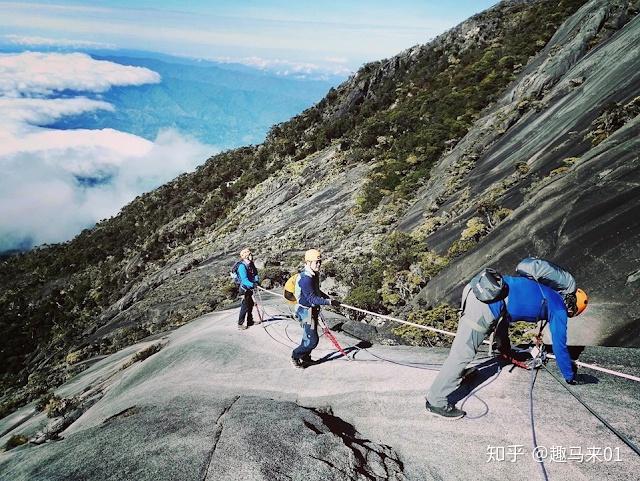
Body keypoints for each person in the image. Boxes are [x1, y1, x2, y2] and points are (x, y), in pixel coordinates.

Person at [425, 274, 588, 419]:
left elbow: (505, 318)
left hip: (481, 287)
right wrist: (570, 376)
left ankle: (457, 374)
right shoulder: (559, 309)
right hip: (486, 302)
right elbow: (560, 347)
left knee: (463, 345)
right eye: (572, 313)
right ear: (572, 307)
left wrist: (506, 351)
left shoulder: (545, 291)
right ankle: (436, 402)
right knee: (462, 353)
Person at [291, 249, 341, 368]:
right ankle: (296, 355)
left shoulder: (313, 274)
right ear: (308, 262)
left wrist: (326, 297)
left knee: (308, 335)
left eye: (320, 261)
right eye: (316, 262)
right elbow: (312, 299)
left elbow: (316, 292)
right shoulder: (306, 278)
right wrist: (328, 301)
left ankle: (305, 357)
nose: (319, 264)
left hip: (310, 310)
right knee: (313, 340)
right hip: (305, 312)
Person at [236, 248, 259, 330]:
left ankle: (250, 321)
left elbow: (255, 273)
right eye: (250, 255)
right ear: (246, 256)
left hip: (250, 288)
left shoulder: (251, 264)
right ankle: (240, 324)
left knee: (251, 304)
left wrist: (256, 280)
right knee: (245, 306)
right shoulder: (242, 266)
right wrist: (253, 284)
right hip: (244, 289)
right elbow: (244, 280)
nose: (251, 256)